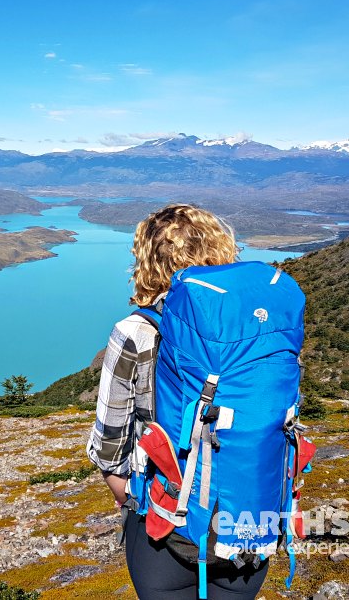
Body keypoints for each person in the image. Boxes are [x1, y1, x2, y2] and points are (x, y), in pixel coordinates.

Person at [86, 203, 270, 599]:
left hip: (164, 523)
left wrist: (131, 499)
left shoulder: (135, 331)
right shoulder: (261, 324)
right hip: (250, 519)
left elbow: (109, 447)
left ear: (148, 259)